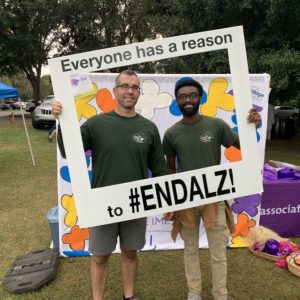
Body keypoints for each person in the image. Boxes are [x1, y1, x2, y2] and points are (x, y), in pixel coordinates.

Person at [52, 70, 167, 300]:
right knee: (99, 256)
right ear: (115, 90)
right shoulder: (96, 124)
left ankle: (129, 296)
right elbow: (69, 151)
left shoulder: (148, 128)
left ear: (139, 93)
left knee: (130, 252)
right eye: (124, 86)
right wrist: (62, 121)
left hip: (136, 203)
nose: (130, 91)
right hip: (102, 204)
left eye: (134, 87)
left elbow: (159, 168)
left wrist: (168, 201)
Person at [163, 77, 261, 300]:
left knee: (218, 250)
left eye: (192, 95)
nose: (188, 100)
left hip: (214, 198)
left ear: (200, 98)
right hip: (186, 199)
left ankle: (220, 294)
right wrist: (171, 202)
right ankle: (194, 293)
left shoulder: (215, 125)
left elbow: (241, 146)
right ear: (177, 101)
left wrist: (251, 125)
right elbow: (170, 170)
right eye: (182, 96)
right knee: (190, 249)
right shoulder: (171, 133)